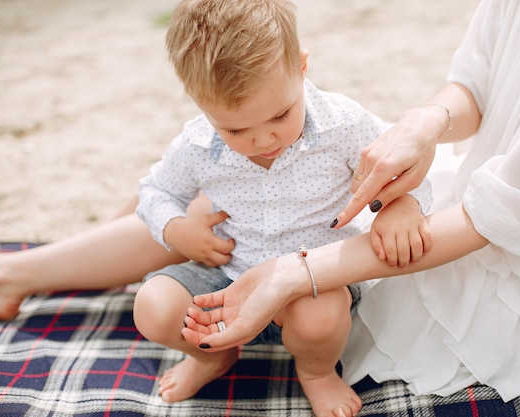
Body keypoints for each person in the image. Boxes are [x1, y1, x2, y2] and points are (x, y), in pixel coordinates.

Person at [181, 0, 520, 404]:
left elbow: (492, 220)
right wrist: (426, 121)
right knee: (201, 206)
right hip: (474, 187)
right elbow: (474, 86)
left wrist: (290, 273)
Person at [131, 0, 432, 415]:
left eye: (280, 115)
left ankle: (316, 372)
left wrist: (402, 206)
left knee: (319, 319)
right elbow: (154, 191)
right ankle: (212, 356)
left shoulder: (343, 124)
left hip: (315, 280)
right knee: (153, 306)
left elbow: (404, 167)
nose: (262, 140)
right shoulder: (197, 147)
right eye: (235, 128)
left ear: (302, 67)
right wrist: (177, 229)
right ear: (198, 101)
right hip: (228, 275)